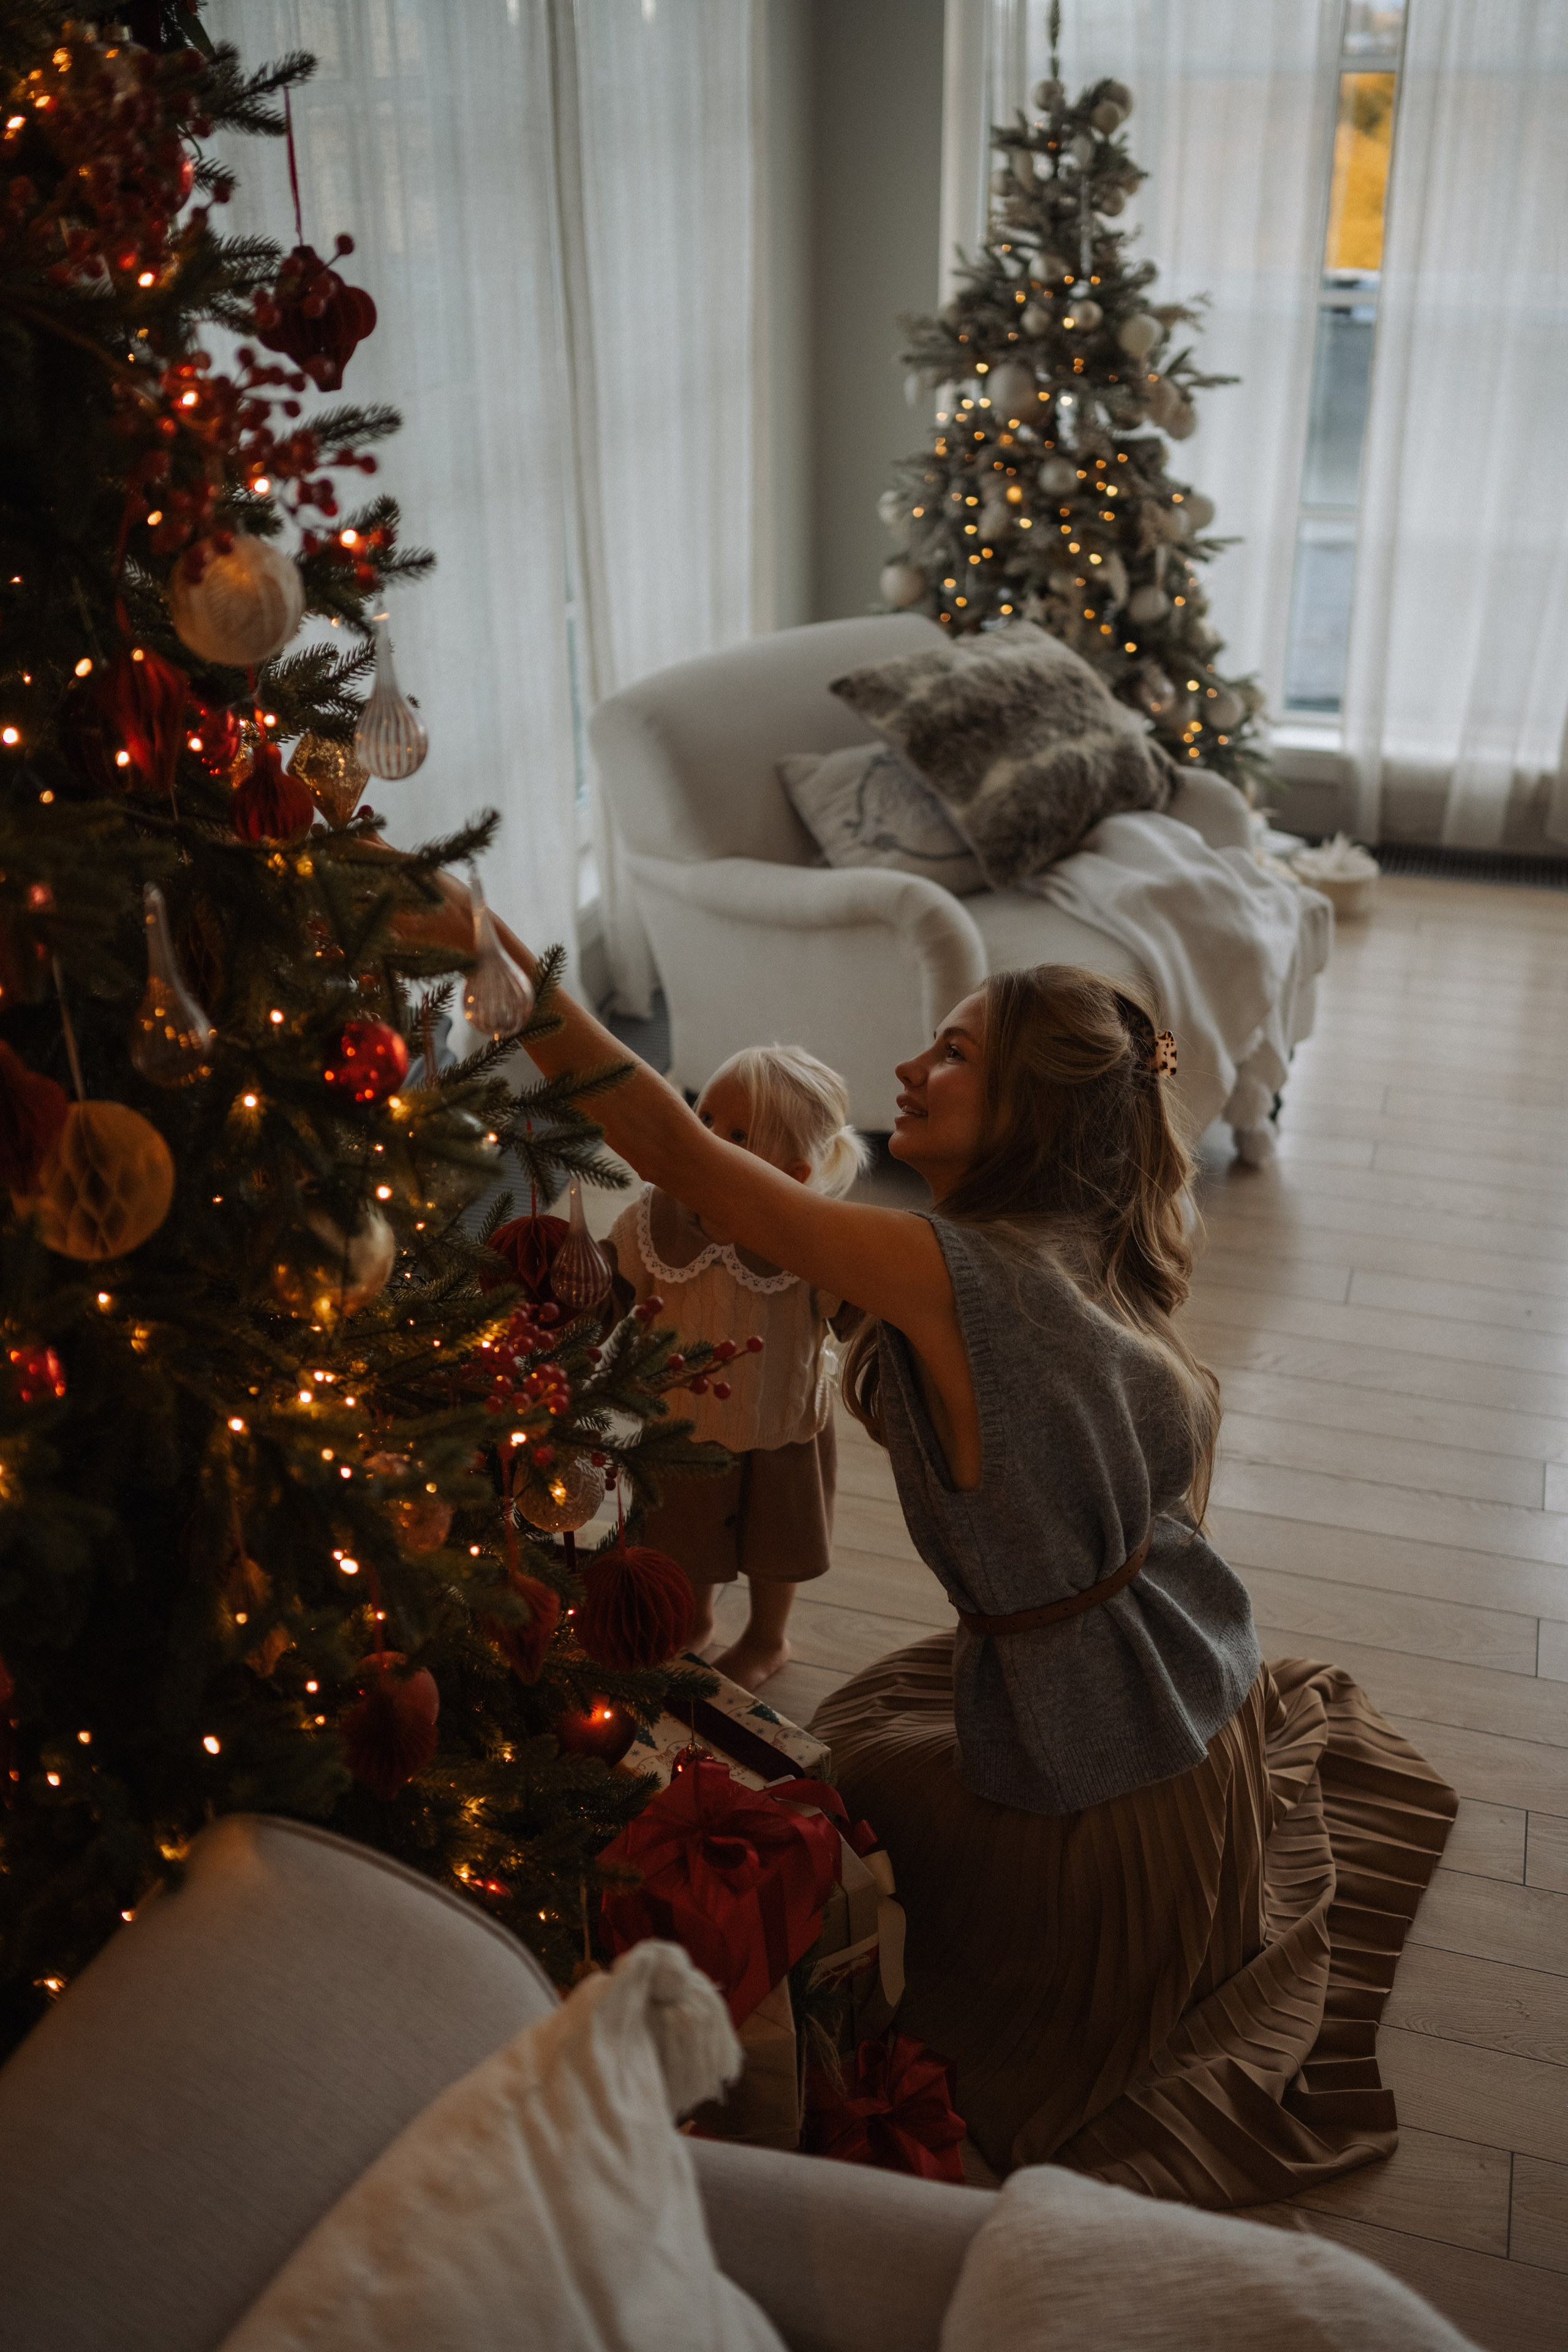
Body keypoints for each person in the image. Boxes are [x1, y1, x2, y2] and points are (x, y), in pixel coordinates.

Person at [457, 896, 1457, 2206]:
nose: (904, 1073)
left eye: (948, 1054)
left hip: (1097, 1793)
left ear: (1031, 1112)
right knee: (858, 1740)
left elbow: (678, 1158)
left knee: (835, 1803)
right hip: (1184, 1687)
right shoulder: (1085, 1231)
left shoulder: (951, 1271)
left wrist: (489, 950)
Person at [602, 1044, 867, 1691]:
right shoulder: (649, 1216)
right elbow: (611, 1288)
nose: (709, 1140)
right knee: (686, 1535)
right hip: (681, 1424)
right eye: (704, 1117)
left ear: (794, 1174)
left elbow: (855, 1312)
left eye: (739, 1136)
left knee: (777, 1543)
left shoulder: (807, 1234)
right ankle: (695, 1619)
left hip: (779, 1420)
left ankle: (766, 1637)